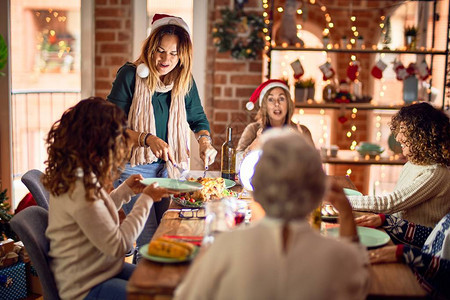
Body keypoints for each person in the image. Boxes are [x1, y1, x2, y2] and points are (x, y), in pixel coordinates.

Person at [174, 128, 369, 300]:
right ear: (316, 191)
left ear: (256, 188)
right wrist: (345, 214)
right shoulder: (338, 257)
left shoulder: (226, 248)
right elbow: (358, 282)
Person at [107, 14, 217, 261]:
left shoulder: (184, 81)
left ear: (182, 55)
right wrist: (147, 139)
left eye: (174, 53)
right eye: (160, 51)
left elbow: (198, 119)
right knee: (148, 240)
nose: (166, 59)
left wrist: (205, 141)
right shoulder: (130, 75)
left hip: (170, 169)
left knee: (167, 233)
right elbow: (110, 127)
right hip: (133, 169)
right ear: (150, 48)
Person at [42, 98, 174, 300]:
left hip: (102, 272)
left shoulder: (79, 174)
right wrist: (146, 199)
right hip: (86, 287)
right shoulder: (79, 187)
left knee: (163, 287)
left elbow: (96, 217)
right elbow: (119, 245)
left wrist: (126, 191)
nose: (122, 144)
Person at [347, 102, 450, 228]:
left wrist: (342, 200)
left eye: (404, 131)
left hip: (411, 241)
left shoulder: (436, 172)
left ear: (422, 136)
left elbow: (389, 204)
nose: (398, 138)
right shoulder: (413, 163)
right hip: (394, 228)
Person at [356, 212, 450, 299]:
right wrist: (389, 221)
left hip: (425, 292)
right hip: (416, 278)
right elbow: (435, 236)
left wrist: (408, 254)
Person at [237, 79, 314, 157]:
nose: (277, 103)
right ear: (264, 106)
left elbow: (314, 165)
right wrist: (253, 146)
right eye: (271, 99)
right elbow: (236, 163)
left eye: (281, 99)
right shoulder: (252, 129)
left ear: (288, 104)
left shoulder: (302, 131)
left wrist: (302, 147)